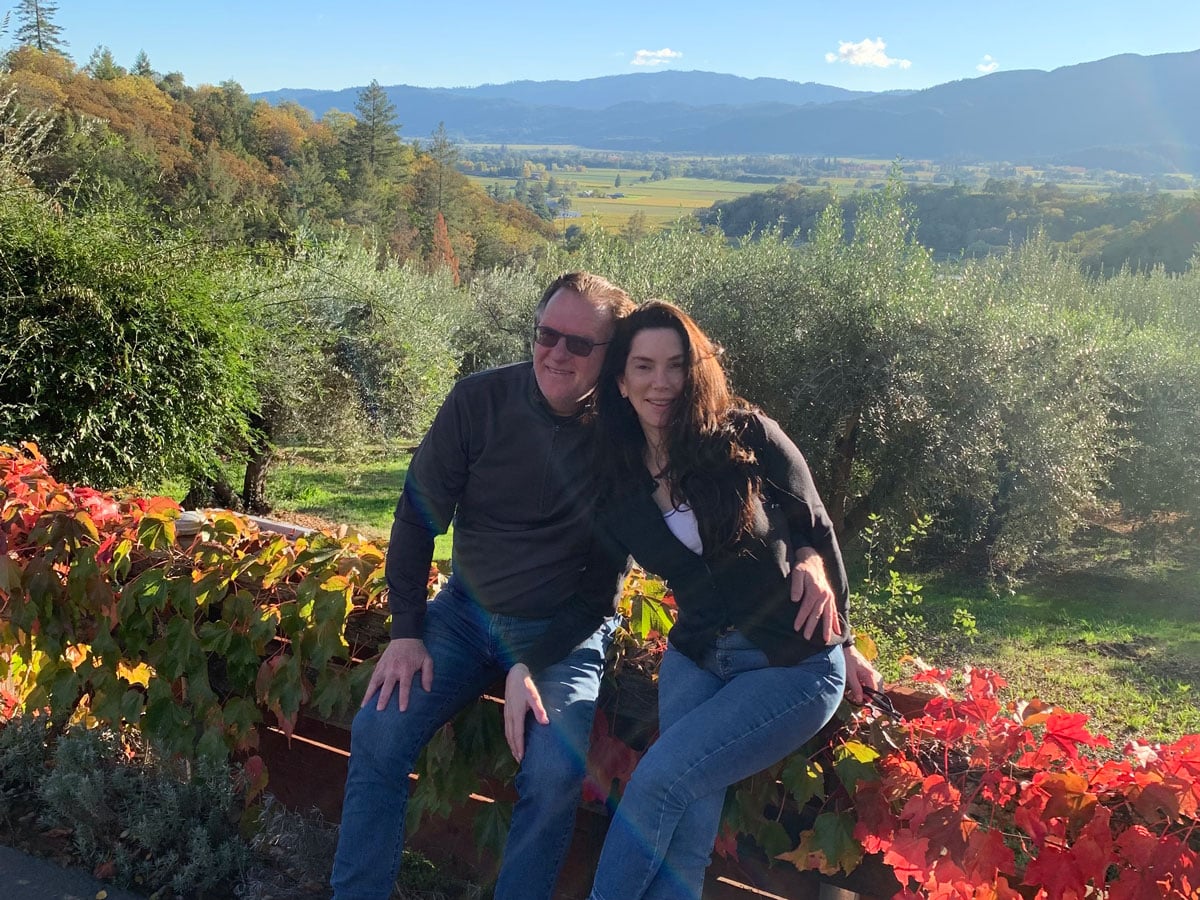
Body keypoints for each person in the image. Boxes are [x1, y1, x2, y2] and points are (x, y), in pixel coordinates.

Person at [517, 300, 881, 900]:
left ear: (696, 371)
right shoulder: (616, 478)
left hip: (793, 664)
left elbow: (814, 525)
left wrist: (829, 602)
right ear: (621, 380)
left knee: (656, 783)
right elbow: (594, 595)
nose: (661, 383)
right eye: (644, 367)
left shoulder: (746, 435)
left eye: (676, 365)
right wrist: (528, 662)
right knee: (686, 842)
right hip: (695, 661)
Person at [330, 272, 637, 900]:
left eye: (579, 345)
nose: (556, 352)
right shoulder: (478, 401)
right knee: (379, 732)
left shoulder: (623, 436)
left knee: (554, 775)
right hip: (466, 617)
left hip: (566, 633)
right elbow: (417, 516)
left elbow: (602, 588)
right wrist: (407, 631)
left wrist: (534, 661)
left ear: (610, 360)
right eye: (546, 334)